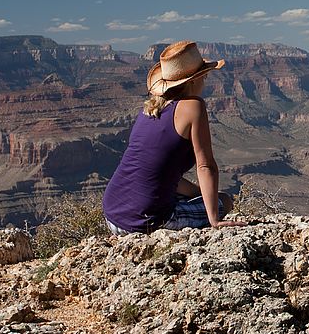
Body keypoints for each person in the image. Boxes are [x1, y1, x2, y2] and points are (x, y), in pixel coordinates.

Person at [102, 40, 245, 234]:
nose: (205, 81)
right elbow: (206, 166)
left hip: (113, 215)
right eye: (203, 76)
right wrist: (214, 219)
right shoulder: (193, 106)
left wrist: (198, 194)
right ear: (193, 80)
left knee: (200, 195)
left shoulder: (149, 109)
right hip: (146, 221)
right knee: (224, 201)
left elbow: (158, 171)